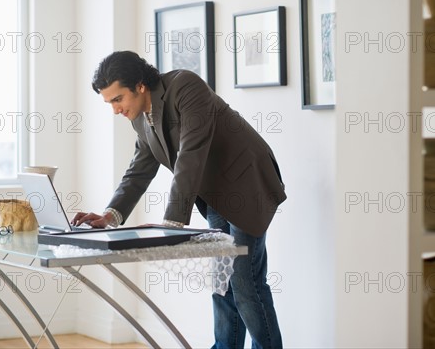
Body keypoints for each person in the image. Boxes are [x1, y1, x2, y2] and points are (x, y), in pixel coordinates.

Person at [71, 50, 286, 348]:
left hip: (247, 183)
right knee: (223, 280)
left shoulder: (186, 87)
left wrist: (172, 226)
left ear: (140, 85)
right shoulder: (139, 118)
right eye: (109, 103)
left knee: (245, 281)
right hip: (215, 194)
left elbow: (191, 153)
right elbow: (138, 171)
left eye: (118, 99)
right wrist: (110, 215)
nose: (115, 110)